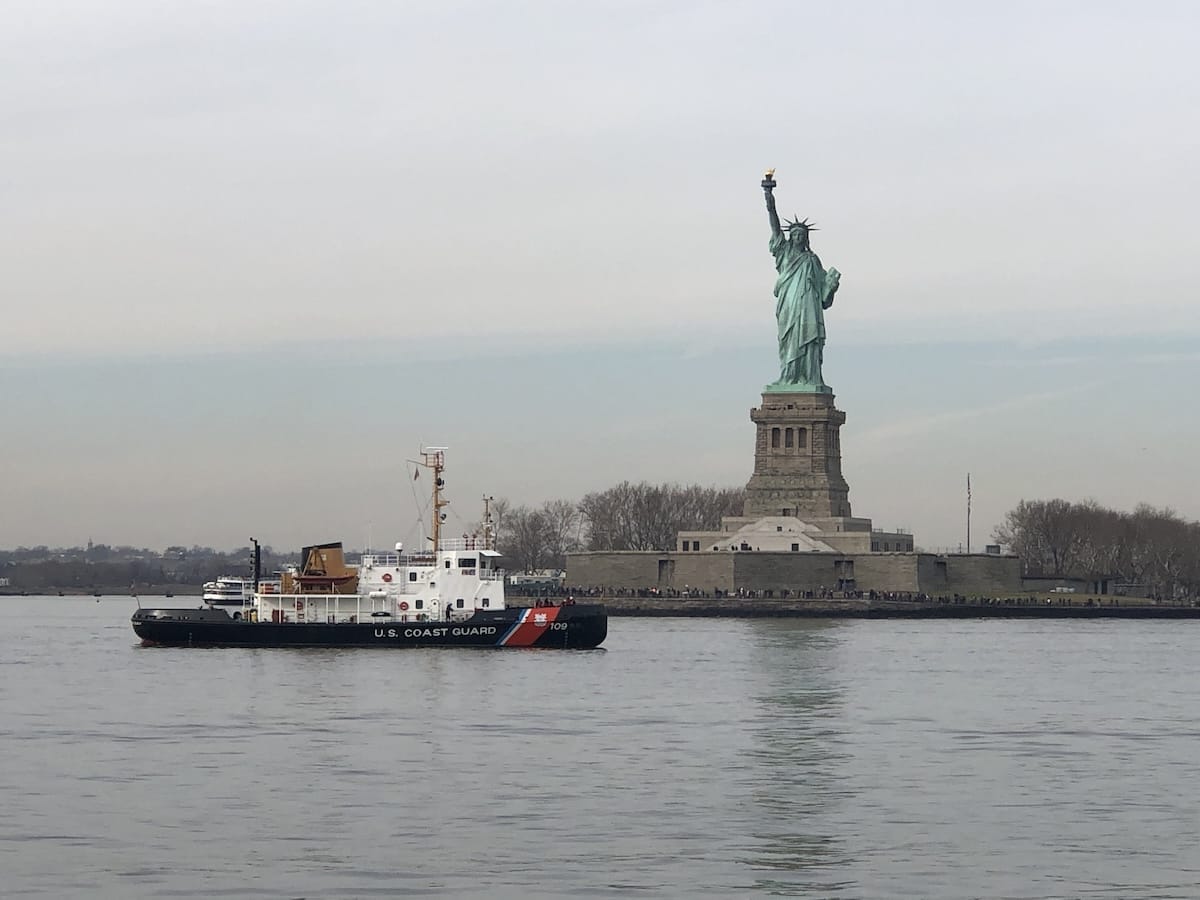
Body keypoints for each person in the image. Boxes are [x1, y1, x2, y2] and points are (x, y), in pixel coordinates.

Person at [761, 172, 840, 389]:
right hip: (788, 304)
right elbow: (775, 226)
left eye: (801, 235)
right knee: (788, 341)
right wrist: (769, 197)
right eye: (794, 234)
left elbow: (824, 297)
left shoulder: (812, 260)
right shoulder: (783, 253)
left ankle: (809, 377)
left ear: (806, 238)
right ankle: (788, 377)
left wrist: (832, 286)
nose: (797, 237)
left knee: (810, 341)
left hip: (809, 307)